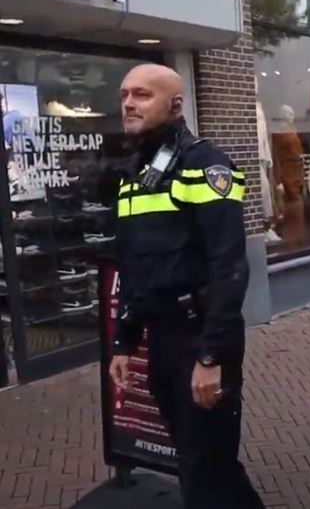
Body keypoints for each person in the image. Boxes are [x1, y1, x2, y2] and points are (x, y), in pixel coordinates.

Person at [107, 64, 265, 509]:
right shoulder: (134, 173)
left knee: (204, 472)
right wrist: (124, 341)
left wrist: (211, 357)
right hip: (162, 339)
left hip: (201, 336)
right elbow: (133, 265)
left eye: (142, 95)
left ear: (175, 103)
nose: (129, 104)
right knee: (202, 464)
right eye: (124, 95)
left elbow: (229, 267)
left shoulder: (205, 165)